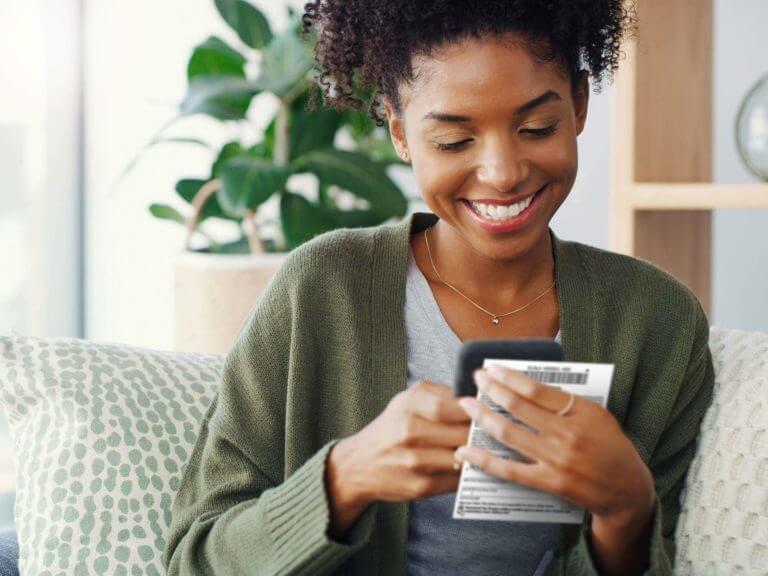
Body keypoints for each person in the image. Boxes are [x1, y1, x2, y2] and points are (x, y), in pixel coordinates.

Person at [164, 1, 715, 574]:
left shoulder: (656, 321)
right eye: (453, 141)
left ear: (578, 104)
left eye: (536, 128)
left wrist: (626, 508)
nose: (502, 172)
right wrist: (344, 477)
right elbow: (194, 559)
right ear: (400, 132)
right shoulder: (322, 289)